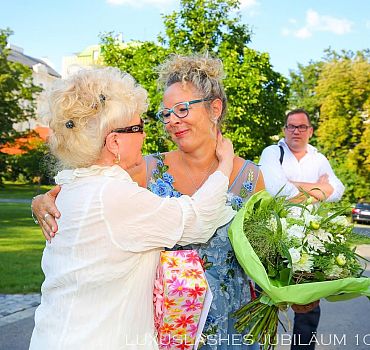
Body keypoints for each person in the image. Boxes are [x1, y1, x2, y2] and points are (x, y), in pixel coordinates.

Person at [32, 54, 264, 349]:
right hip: (160, 327)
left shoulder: (251, 176)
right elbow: (195, 219)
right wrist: (40, 200)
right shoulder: (142, 169)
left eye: (181, 109)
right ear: (115, 142)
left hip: (232, 318)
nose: (170, 122)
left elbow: (262, 254)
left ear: (214, 108)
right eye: (165, 113)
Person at [259, 108, 345, 350]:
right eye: (291, 126)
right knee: (267, 304)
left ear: (310, 130)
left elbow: (337, 191)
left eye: (301, 127)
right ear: (284, 129)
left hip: (309, 241)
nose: (296, 131)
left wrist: (294, 187)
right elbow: (275, 188)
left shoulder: (319, 158)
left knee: (307, 310)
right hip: (272, 239)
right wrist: (319, 190)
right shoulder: (272, 153)